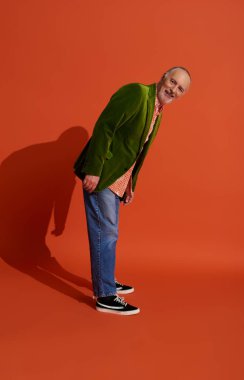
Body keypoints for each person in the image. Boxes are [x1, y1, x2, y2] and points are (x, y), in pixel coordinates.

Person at [73, 67, 191, 315]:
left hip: (118, 177)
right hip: (103, 172)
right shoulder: (137, 93)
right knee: (106, 232)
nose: (174, 89)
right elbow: (106, 126)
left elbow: (136, 151)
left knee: (110, 231)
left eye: (180, 89)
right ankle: (105, 295)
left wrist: (130, 183)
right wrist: (93, 169)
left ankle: (106, 277)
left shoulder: (158, 111)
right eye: (173, 82)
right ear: (162, 77)